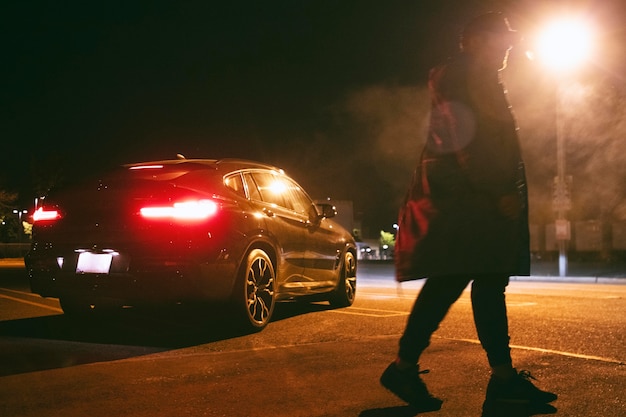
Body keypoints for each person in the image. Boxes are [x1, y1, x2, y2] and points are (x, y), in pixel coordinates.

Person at [380, 12, 557, 411]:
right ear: (476, 41)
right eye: (500, 40)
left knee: (475, 281)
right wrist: (498, 190)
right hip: (469, 201)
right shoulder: (463, 76)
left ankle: (498, 377)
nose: (507, 47)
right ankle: (411, 368)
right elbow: (467, 138)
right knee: (462, 280)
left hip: (470, 198)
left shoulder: (471, 75)